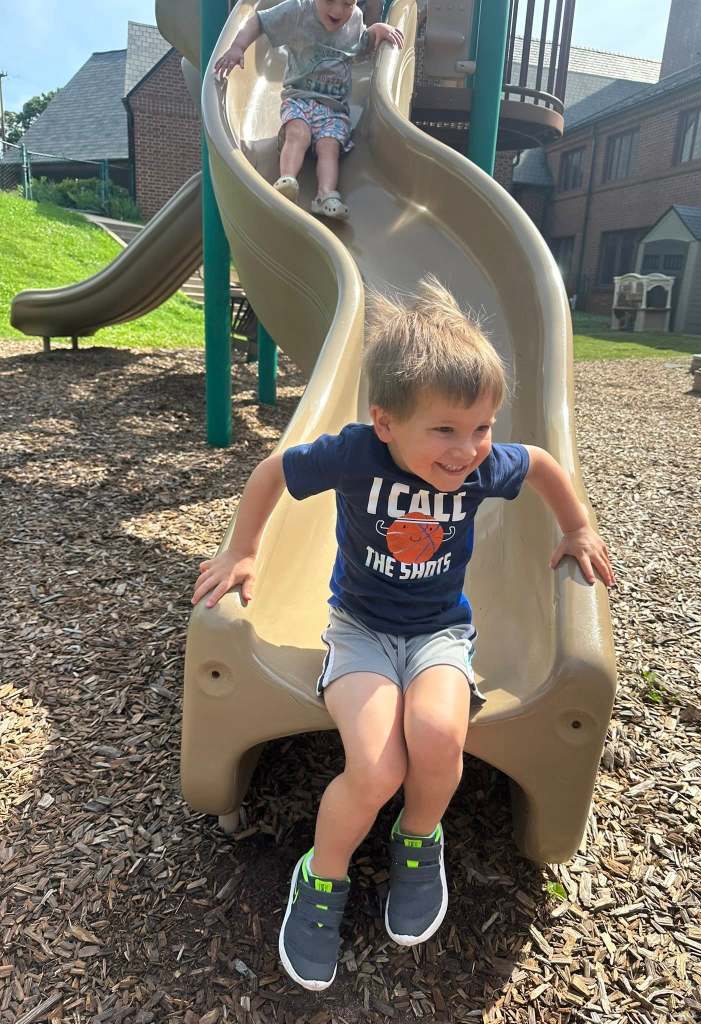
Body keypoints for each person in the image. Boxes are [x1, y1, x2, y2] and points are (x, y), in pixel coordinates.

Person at [191, 278, 615, 991]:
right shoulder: (356, 454)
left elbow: (542, 464)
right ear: (385, 423)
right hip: (360, 632)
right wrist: (242, 549)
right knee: (377, 766)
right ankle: (321, 874)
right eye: (445, 430)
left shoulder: (482, 465)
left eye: (481, 427)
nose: (468, 450)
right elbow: (272, 472)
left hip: (440, 633)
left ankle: (418, 838)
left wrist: (577, 528)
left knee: (440, 738)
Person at [214, 0, 403, 220]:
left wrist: (376, 31)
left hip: (333, 108)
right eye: (330, 0)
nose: (338, 11)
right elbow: (259, 21)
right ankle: (287, 180)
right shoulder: (299, 10)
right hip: (299, 98)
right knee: (298, 132)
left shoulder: (355, 19)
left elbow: (360, 46)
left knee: (329, 146)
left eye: (347, 4)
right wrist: (238, 46)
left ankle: (325, 194)